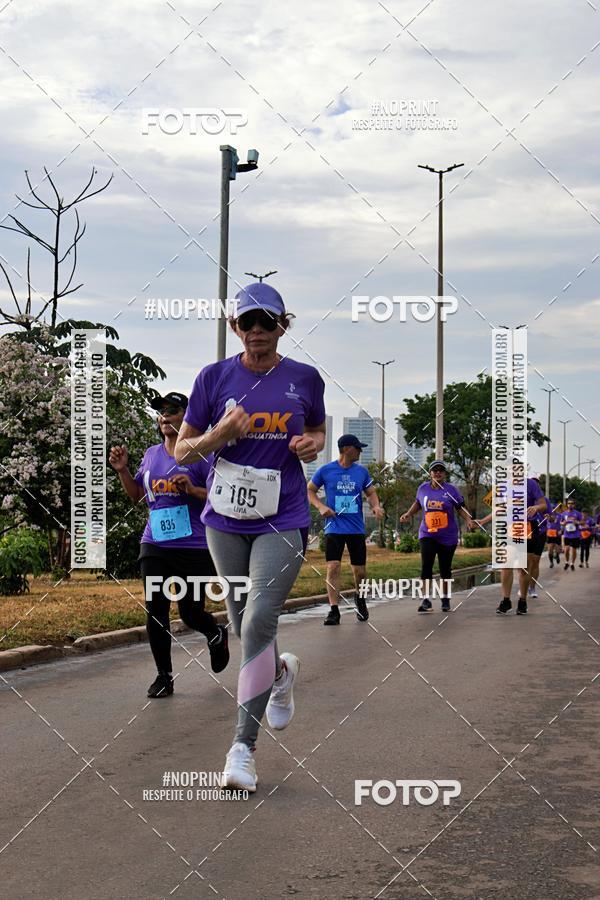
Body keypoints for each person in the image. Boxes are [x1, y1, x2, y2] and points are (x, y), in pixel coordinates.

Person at [174, 282, 326, 793]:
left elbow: (319, 431)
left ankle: (243, 747)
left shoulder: (304, 378)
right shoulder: (213, 377)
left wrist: (311, 445)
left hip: (282, 516)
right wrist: (221, 434)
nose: (257, 331)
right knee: (245, 627)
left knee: (260, 617)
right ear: (234, 327)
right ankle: (280, 675)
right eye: (247, 322)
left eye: (268, 321)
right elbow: (182, 453)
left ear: (284, 324)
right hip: (224, 520)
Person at [109, 391, 229, 699]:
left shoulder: (202, 454)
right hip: (155, 544)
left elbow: (219, 497)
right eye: (161, 411)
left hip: (194, 546)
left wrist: (191, 489)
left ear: (187, 417)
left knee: (190, 614)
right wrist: (123, 470)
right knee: (156, 610)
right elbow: (137, 495)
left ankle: (215, 632)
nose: (165, 416)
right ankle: (164, 675)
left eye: (172, 410)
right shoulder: (151, 454)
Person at [307, 434, 385, 625]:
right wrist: (321, 506)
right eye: (358, 448)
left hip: (356, 528)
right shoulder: (326, 470)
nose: (360, 451)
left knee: (360, 571)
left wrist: (375, 506)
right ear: (347, 449)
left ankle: (360, 598)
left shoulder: (361, 472)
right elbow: (309, 490)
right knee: (333, 566)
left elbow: (371, 493)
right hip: (334, 526)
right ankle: (334, 609)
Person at [399, 461, 475, 613]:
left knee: (445, 568)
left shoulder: (451, 490)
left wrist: (468, 519)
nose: (438, 473)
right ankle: (425, 599)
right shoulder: (423, 488)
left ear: (445, 474)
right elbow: (418, 504)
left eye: (441, 470)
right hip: (427, 533)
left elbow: (460, 508)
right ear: (430, 473)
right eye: (435, 470)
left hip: (448, 536)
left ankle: (445, 599)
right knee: (426, 565)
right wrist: (408, 514)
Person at [476, 476, 546, 615]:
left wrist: (536, 507)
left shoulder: (531, 484)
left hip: (527, 528)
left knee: (523, 568)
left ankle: (522, 601)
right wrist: (483, 521)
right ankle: (506, 601)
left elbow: (543, 504)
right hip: (508, 528)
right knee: (506, 564)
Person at [527, 477, 551, 599]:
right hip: (527, 531)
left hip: (540, 533)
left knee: (535, 561)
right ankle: (524, 586)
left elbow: (551, 517)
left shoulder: (544, 501)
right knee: (526, 563)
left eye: (536, 485)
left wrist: (548, 517)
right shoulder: (523, 497)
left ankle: (532, 587)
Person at [560, 498, 582, 571]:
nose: (570, 505)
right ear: (567, 504)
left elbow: (582, 522)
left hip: (575, 534)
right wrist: (563, 523)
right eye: (569, 503)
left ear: (574, 505)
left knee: (574, 550)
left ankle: (572, 563)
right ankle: (566, 562)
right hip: (567, 534)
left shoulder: (577, 513)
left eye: (572, 503)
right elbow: (561, 522)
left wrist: (577, 522)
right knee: (566, 549)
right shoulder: (564, 513)